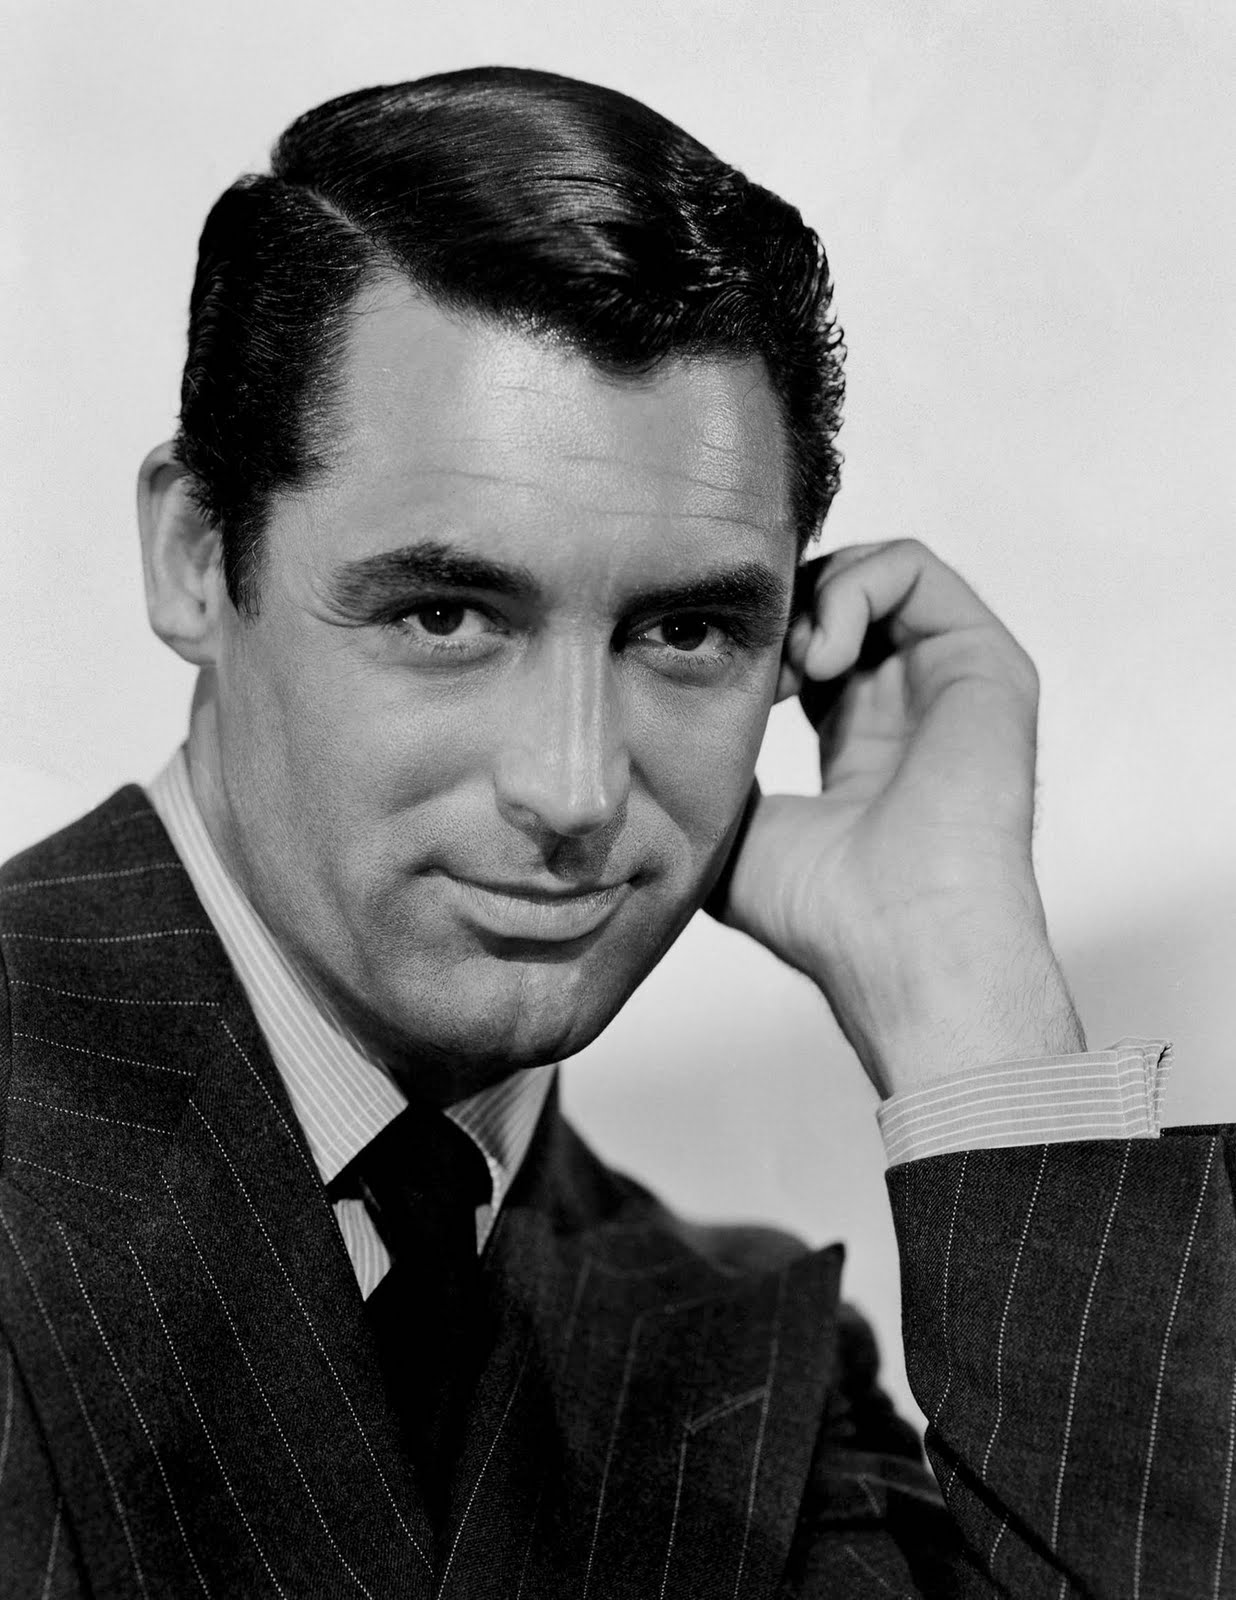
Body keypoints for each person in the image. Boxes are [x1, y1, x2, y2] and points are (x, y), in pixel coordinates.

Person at [0, 66, 1231, 1599]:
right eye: (446, 613)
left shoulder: (756, 1378)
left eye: (686, 633)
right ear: (198, 555)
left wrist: (968, 1001)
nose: (576, 789)